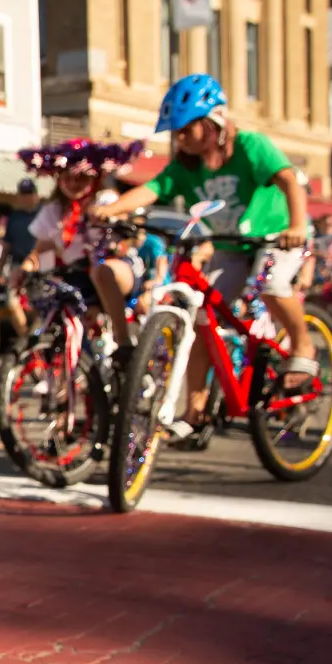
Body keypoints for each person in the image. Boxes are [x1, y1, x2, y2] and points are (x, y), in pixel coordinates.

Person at [97, 73, 316, 420]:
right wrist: (112, 209)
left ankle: (302, 342)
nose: (180, 138)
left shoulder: (250, 147)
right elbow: (153, 189)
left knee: (272, 285)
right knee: (202, 320)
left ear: (213, 122)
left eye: (186, 129)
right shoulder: (187, 166)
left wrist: (297, 225)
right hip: (230, 247)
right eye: (177, 132)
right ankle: (195, 410)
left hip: (275, 237)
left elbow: (289, 179)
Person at [15, 138, 144, 359]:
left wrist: (110, 215)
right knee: (49, 291)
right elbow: (41, 251)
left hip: (115, 270)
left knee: (101, 271)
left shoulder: (106, 199)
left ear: (96, 177)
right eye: (67, 178)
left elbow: (131, 229)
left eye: (82, 177)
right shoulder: (53, 210)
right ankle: (66, 365)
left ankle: (124, 344)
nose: (74, 183)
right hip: (77, 278)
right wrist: (25, 269)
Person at [2, 178, 42, 334]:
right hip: (17, 266)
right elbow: (6, 245)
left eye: (29, 194)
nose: (26, 197)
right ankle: (24, 336)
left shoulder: (44, 214)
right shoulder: (14, 218)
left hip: (41, 267)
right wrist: (0, 269)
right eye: (23, 194)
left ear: (36, 195)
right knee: (13, 304)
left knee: (38, 306)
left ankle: (33, 338)